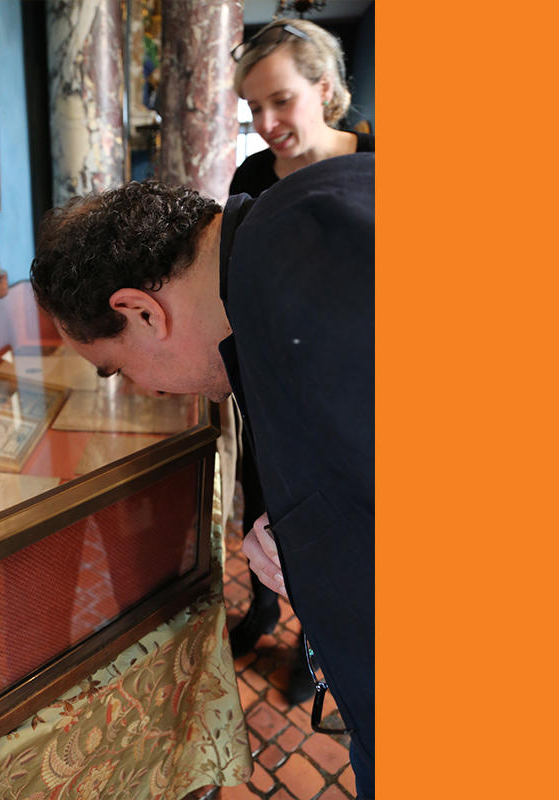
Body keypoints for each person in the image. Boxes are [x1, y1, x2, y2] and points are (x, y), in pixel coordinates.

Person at [30, 155, 374, 798]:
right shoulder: (278, 254)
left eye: (119, 368)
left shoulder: (312, 269)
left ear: (141, 312)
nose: (150, 388)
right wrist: (306, 527)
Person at [226, 16, 375, 703]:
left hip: (353, 402)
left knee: (337, 539)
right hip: (270, 388)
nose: (266, 121)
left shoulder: (377, 162)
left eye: (280, 99)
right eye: (254, 107)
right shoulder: (254, 175)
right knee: (265, 513)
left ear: (325, 88)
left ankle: (316, 646)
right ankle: (261, 609)